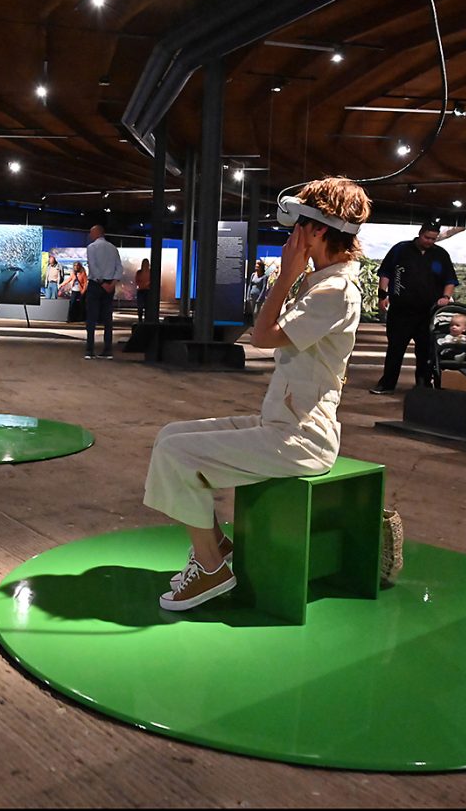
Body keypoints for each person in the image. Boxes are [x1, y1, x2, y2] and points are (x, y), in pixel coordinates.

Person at [144, 175, 371, 611]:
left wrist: (286, 275)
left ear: (317, 229)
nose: (291, 236)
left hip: (302, 438)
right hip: (282, 423)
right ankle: (217, 549)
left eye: (296, 227)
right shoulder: (322, 281)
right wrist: (292, 277)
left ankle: (211, 571)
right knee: (170, 436)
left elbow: (263, 336)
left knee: (177, 457)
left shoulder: (335, 290)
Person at [369, 222, 457, 394]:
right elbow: (385, 272)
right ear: (420, 233)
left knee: (425, 351)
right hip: (401, 310)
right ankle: (387, 384)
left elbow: (450, 280)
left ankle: (423, 384)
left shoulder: (441, 254)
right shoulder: (400, 249)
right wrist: (382, 295)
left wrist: (446, 297)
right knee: (395, 348)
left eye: (433, 238)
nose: (429, 241)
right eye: (427, 237)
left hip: (428, 312)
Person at [84, 224, 123, 358]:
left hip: (96, 285)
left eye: (91, 233)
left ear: (96, 233)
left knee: (91, 318)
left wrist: (101, 282)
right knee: (108, 319)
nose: (90, 235)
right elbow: (119, 267)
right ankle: (108, 350)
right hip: (109, 286)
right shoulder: (113, 248)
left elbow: (93, 267)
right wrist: (112, 283)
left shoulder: (91, 248)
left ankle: (90, 351)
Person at [135, 258, 151, 322]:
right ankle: (140, 320)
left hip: (147, 291)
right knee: (140, 307)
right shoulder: (139, 272)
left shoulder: (150, 272)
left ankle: (146, 320)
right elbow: (137, 281)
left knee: (147, 307)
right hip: (141, 291)